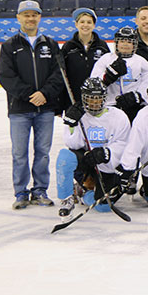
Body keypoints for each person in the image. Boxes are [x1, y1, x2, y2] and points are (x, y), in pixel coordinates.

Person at [0, 0, 63, 209]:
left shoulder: (50, 44)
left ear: (40, 17)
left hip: (44, 109)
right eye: (26, 15)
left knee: (43, 152)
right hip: (19, 110)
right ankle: (21, 193)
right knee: (19, 153)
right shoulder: (10, 45)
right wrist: (30, 95)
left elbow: (58, 74)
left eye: (34, 14)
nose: (30, 18)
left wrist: (44, 94)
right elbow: (6, 77)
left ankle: (40, 191)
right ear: (18, 17)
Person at [56, 78, 130, 217]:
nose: (95, 102)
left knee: (104, 206)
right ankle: (67, 199)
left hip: (107, 163)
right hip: (86, 160)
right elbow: (73, 145)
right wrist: (72, 125)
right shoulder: (78, 113)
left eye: (98, 98)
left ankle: (84, 194)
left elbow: (123, 143)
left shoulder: (118, 116)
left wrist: (106, 153)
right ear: (84, 98)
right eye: (91, 98)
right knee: (65, 157)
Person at [90, 27, 148, 122]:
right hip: (109, 106)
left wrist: (137, 96)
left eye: (129, 41)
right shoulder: (105, 59)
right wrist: (107, 77)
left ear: (134, 44)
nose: (125, 44)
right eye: (122, 41)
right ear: (117, 43)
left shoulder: (141, 62)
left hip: (134, 107)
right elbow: (94, 81)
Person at [60, 7, 109, 110]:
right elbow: (62, 76)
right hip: (74, 102)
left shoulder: (102, 46)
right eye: (82, 22)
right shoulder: (68, 47)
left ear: (94, 25)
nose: (85, 25)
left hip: (97, 101)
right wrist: (62, 105)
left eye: (89, 22)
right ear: (76, 24)